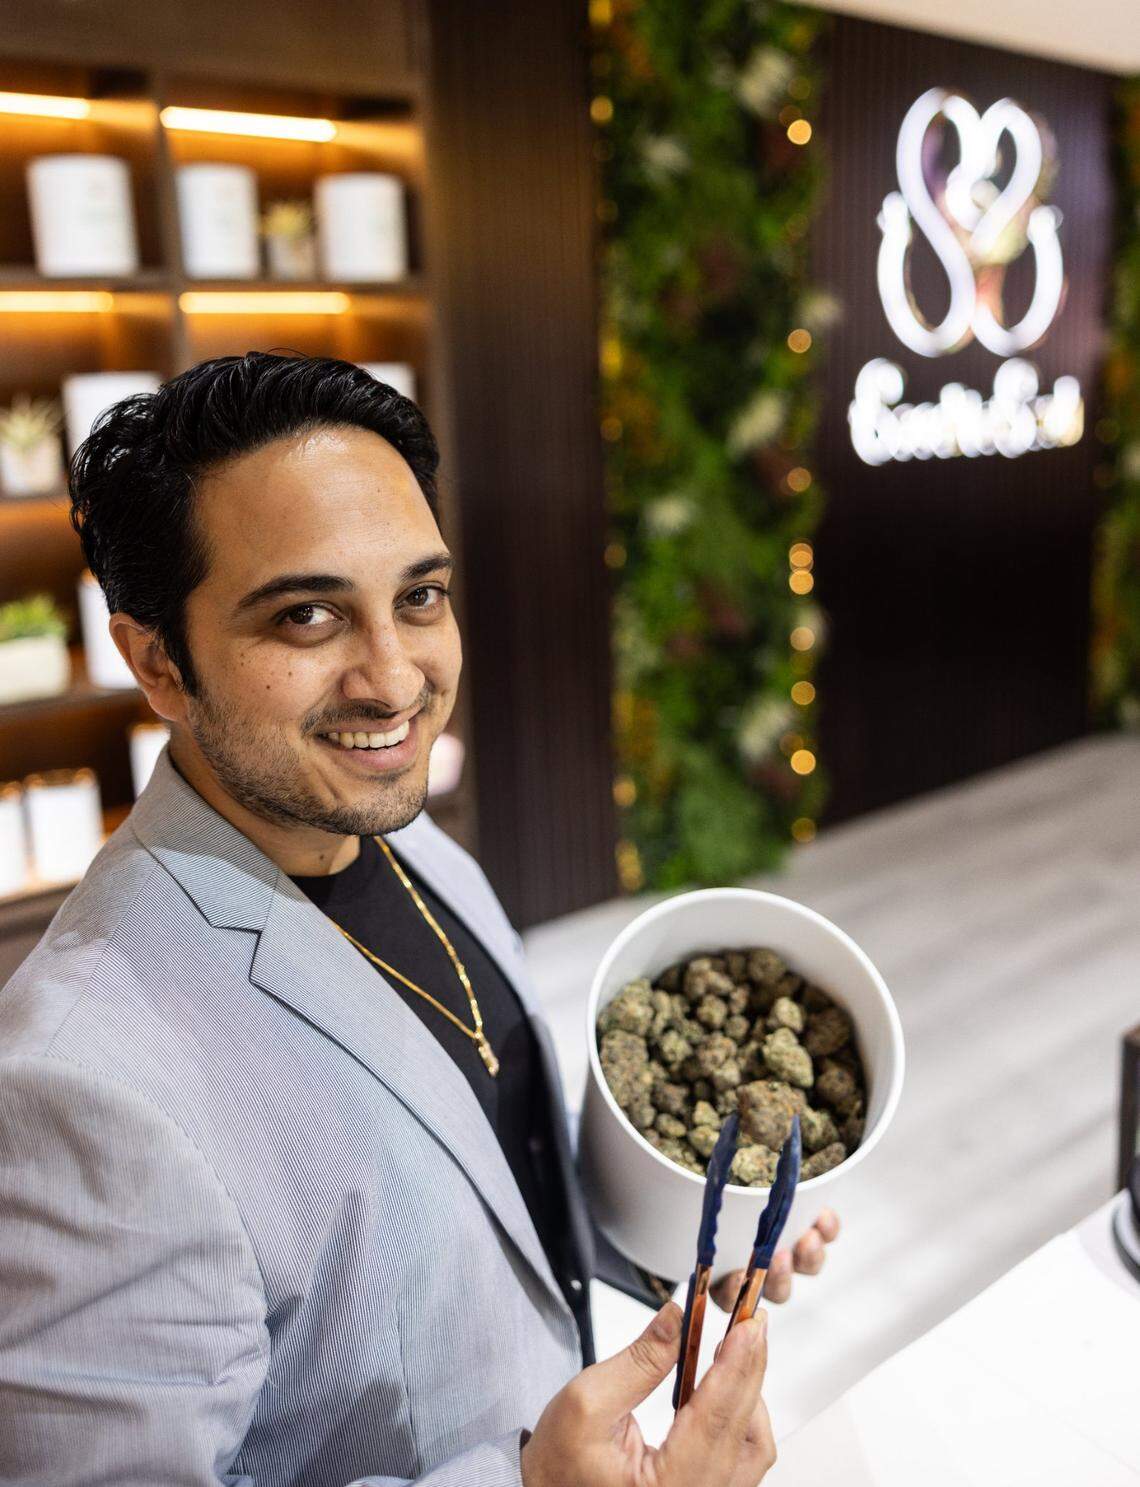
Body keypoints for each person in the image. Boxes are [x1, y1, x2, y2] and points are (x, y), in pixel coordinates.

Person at [0, 353, 839, 1486]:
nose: (394, 680)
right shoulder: (81, 1085)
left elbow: (482, 1171)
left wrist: (686, 1226)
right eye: (306, 616)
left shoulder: (405, 836)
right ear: (158, 659)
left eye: (420, 596)